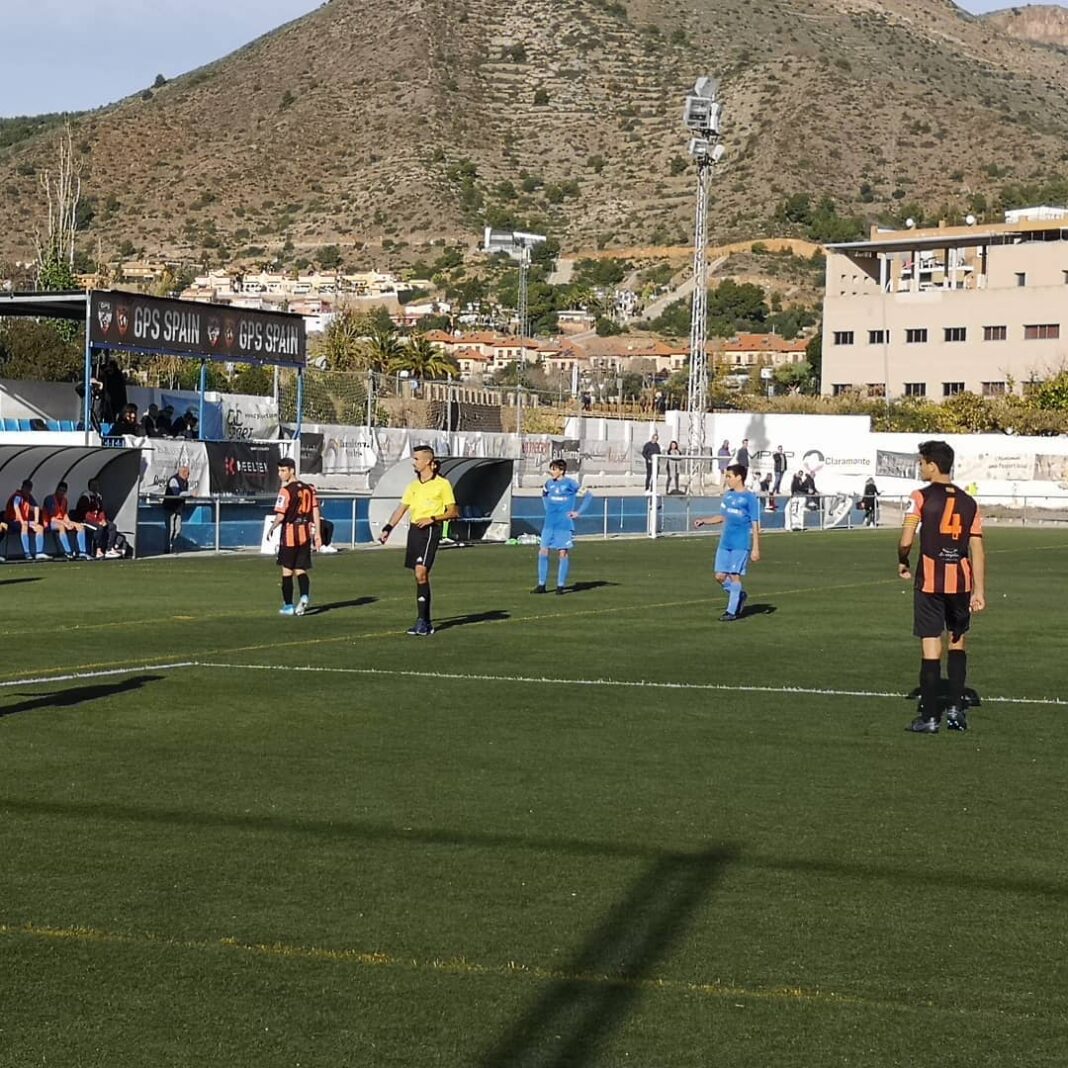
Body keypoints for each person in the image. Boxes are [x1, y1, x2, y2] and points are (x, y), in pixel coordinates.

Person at [899, 440, 986, 733]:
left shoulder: (920, 496)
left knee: (930, 642)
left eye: (921, 463)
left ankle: (930, 717)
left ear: (933, 465)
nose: (920, 467)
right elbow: (977, 549)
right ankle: (956, 711)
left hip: (930, 582)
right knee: (957, 640)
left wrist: (902, 560)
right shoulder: (969, 502)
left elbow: (906, 540)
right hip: (961, 582)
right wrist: (979, 590)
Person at [378, 444, 460, 636]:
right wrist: (388, 528)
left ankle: (423, 621)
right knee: (418, 575)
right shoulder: (413, 486)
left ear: (428, 461)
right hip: (415, 531)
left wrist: (433, 518)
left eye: (416, 459)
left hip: (430, 530)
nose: (413, 462)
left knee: (421, 572)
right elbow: (401, 508)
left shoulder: (442, 484)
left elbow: (453, 511)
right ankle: (424, 620)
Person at [694, 463, 761, 622]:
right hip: (725, 542)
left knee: (734, 575)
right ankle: (739, 595)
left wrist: (756, 548)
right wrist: (704, 521)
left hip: (740, 543)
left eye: (729, 476)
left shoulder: (750, 498)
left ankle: (732, 611)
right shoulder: (728, 496)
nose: (727, 479)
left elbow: (755, 523)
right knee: (719, 576)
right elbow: (722, 516)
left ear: (739, 477)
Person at [532, 458, 593, 595]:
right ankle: (541, 584)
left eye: (554, 469)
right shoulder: (549, 483)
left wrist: (578, 512)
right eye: (551, 469)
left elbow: (588, 495)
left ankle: (560, 586)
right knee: (543, 551)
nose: (551, 471)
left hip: (563, 524)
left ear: (562, 470)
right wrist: (547, 508)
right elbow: (544, 494)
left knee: (563, 552)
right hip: (549, 523)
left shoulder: (571, 484)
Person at [268, 457, 320, 616]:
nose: (280, 474)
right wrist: (317, 533)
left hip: (290, 533)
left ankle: (288, 605)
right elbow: (315, 511)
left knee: (287, 571)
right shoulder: (308, 489)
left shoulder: (285, 491)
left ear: (292, 470)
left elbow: (281, 516)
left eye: (283, 470)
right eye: (279, 470)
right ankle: (304, 596)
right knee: (300, 569)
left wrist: (272, 527)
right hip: (304, 533)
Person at [72, 478, 121, 558]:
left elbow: (101, 511)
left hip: (96, 520)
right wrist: (97, 521)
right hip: (85, 521)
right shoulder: (85, 497)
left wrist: (103, 519)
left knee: (112, 526)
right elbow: (85, 514)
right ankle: (98, 550)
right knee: (99, 528)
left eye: (97, 485)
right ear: (89, 486)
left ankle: (109, 549)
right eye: (93, 485)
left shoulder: (98, 496)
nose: (95, 487)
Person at [42, 481, 88, 559]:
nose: (61, 493)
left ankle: (82, 552)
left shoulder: (65, 500)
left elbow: (64, 515)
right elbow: (52, 518)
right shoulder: (49, 499)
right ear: (57, 490)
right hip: (50, 522)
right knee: (61, 527)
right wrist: (65, 523)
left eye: (63, 491)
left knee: (80, 526)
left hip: (62, 521)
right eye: (60, 490)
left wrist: (70, 522)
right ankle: (67, 551)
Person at [5, 479, 47, 559]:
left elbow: (36, 507)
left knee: (40, 528)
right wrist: (22, 521)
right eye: (26, 488)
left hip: (25, 521)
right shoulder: (17, 496)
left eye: (29, 489)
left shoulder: (29, 497)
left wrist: (36, 521)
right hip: (13, 521)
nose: (28, 490)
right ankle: (27, 553)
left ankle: (39, 552)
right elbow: (16, 507)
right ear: (22, 487)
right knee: (24, 526)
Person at [162, 465, 191, 554]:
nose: (188, 475)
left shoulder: (185, 482)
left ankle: (173, 546)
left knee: (178, 529)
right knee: (170, 529)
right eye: (187, 473)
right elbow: (177, 493)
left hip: (178, 508)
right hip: (170, 508)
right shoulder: (173, 480)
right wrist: (190, 494)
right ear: (183, 472)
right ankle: (167, 549)